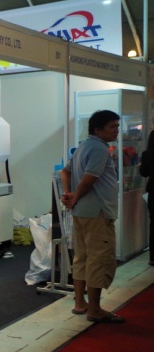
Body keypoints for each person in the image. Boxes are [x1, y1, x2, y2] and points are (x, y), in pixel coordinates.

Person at [60, 109, 124, 323]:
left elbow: (65, 171)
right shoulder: (99, 149)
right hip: (97, 212)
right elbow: (89, 179)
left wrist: (69, 194)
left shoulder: (84, 146)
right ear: (97, 129)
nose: (116, 131)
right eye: (112, 127)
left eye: (117, 126)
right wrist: (74, 197)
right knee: (99, 259)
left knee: (82, 257)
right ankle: (94, 309)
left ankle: (80, 303)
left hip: (82, 212)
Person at [138, 129, 154, 266]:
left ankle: (153, 257)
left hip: (153, 191)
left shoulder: (147, 154)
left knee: (153, 223)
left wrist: (140, 166)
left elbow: (144, 173)